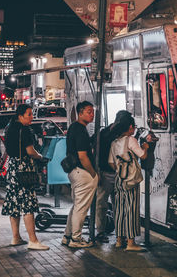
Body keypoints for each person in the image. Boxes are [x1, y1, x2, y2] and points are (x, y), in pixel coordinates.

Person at [1, 104, 49, 250]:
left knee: (14, 203)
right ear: (20, 116)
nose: (31, 117)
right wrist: (40, 156)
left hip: (13, 168)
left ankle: (16, 237)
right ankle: (33, 240)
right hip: (24, 169)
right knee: (28, 203)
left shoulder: (10, 128)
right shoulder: (25, 130)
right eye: (28, 114)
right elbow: (30, 151)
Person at [108, 115, 150, 252]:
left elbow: (111, 162)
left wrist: (121, 170)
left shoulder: (114, 142)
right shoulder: (130, 140)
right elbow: (143, 156)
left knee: (119, 210)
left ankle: (119, 240)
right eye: (134, 127)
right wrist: (145, 147)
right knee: (131, 210)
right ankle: (131, 243)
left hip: (119, 179)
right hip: (130, 180)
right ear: (130, 127)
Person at [61, 101, 98, 248]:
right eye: (88, 111)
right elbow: (83, 156)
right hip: (82, 172)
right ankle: (76, 240)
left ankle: (68, 236)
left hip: (73, 172)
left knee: (76, 206)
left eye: (93, 111)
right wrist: (94, 174)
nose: (92, 114)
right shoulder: (80, 130)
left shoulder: (74, 128)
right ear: (80, 113)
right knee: (81, 209)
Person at [94, 110, 132, 243]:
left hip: (119, 174)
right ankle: (100, 232)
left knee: (119, 205)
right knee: (101, 204)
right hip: (105, 173)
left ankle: (121, 234)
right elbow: (93, 149)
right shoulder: (104, 134)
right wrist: (96, 171)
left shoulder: (122, 135)